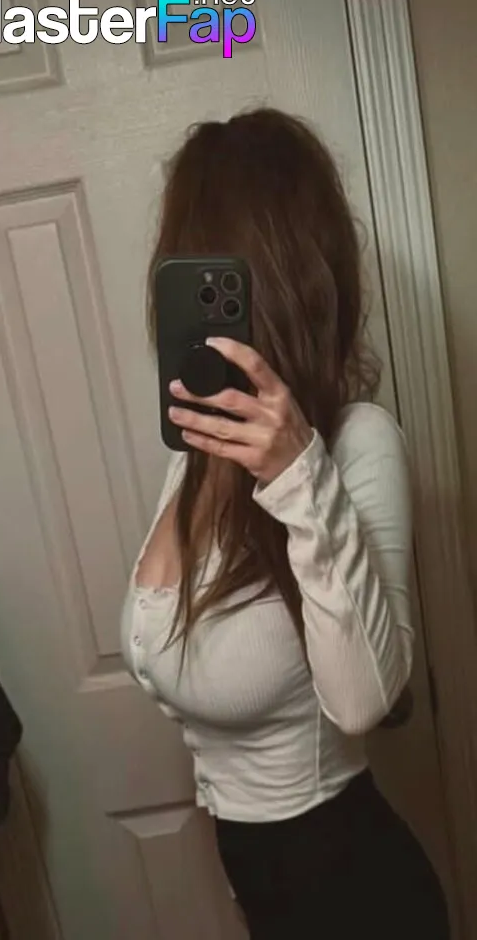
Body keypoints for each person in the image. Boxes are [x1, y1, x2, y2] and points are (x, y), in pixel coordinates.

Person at [121, 108, 450, 939]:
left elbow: (363, 702)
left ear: (274, 279)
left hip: (361, 902)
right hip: (266, 897)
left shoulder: (356, 444)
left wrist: (300, 474)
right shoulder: (193, 459)